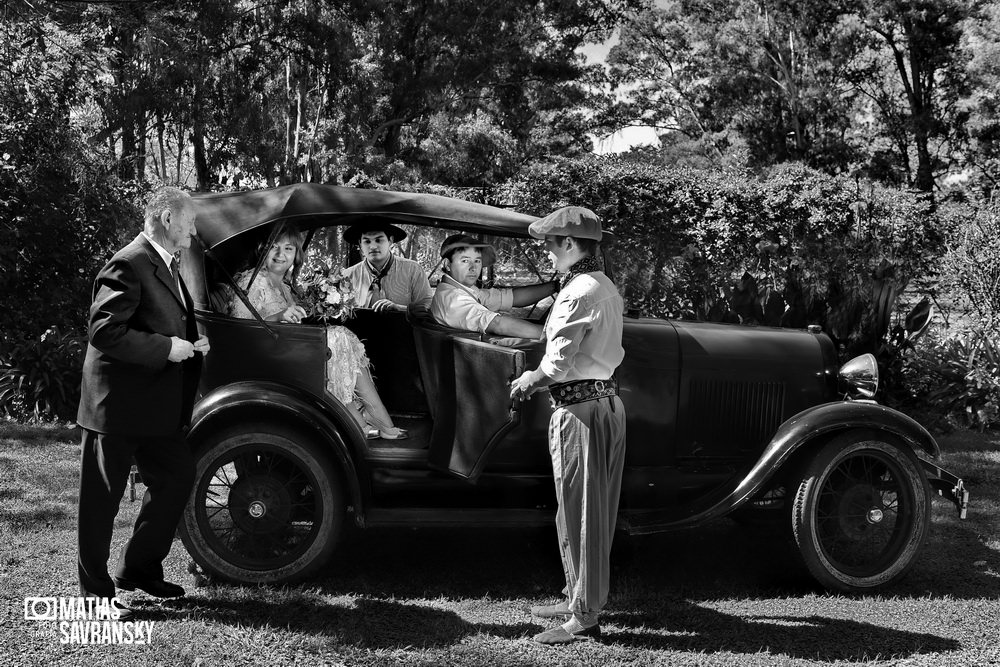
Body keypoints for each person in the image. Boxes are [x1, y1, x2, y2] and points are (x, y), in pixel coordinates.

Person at [76, 186, 210, 619]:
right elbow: (105, 331)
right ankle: (96, 596)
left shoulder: (168, 262)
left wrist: (190, 344)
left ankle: (138, 569)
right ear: (169, 218)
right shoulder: (128, 262)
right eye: (190, 221)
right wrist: (165, 348)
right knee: (102, 500)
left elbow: (160, 321)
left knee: (176, 476)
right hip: (116, 406)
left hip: (154, 405)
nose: (194, 229)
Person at [508, 206, 626, 645]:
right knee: (578, 509)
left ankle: (584, 614)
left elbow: (556, 365)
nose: (548, 254)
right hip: (602, 406)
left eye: (551, 246)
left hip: (581, 413)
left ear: (571, 245)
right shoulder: (603, 285)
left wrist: (526, 381)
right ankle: (575, 595)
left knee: (583, 513)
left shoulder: (580, 290)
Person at [227, 226, 406, 440]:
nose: (280, 255)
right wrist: (279, 315)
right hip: (267, 358)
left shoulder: (286, 285)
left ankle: (374, 417)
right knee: (337, 337)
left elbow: (299, 317)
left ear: (296, 255)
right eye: (273, 247)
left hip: (288, 349)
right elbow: (241, 328)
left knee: (341, 336)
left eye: (288, 248)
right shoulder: (253, 282)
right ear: (261, 251)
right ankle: (363, 419)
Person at [430, 233, 558, 339]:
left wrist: (556, 286)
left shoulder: (462, 290)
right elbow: (497, 324)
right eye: (465, 261)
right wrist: (558, 335)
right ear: (447, 264)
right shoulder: (453, 299)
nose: (473, 268)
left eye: (477, 261)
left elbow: (510, 298)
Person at [341, 222, 433, 315]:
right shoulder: (348, 276)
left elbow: (428, 307)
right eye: (367, 241)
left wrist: (399, 308)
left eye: (378, 240)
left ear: (390, 241)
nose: (373, 246)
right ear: (360, 244)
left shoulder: (413, 270)